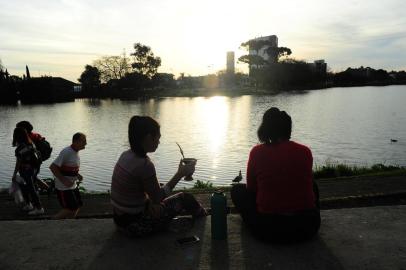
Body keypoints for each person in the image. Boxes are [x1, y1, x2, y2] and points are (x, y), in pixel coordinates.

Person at [231, 107, 320, 243]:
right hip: (307, 228)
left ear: (264, 129)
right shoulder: (305, 151)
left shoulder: (257, 152)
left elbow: (252, 189)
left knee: (237, 191)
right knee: (313, 186)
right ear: (288, 129)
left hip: (270, 230)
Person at [111, 116, 207, 237]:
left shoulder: (125, 155)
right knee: (184, 198)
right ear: (148, 138)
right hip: (136, 226)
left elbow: (141, 190)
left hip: (120, 222)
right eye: (157, 138)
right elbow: (158, 198)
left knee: (160, 189)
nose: (159, 142)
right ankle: (204, 218)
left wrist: (150, 203)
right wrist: (179, 174)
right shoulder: (145, 165)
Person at [50, 132, 87, 219]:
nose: (86, 143)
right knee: (70, 208)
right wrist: (64, 180)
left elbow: (69, 167)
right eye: (84, 141)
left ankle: (70, 223)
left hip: (72, 185)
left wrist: (78, 175)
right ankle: (51, 222)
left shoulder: (75, 152)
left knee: (77, 205)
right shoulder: (66, 152)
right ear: (76, 142)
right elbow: (53, 167)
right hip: (63, 187)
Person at [12, 127, 44, 215]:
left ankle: (39, 208)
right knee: (26, 187)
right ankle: (29, 204)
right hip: (33, 169)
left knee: (31, 189)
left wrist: (14, 174)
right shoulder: (31, 144)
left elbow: (18, 162)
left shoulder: (20, 148)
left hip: (26, 171)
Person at [15, 121, 49, 191]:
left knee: (31, 178)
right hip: (38, 161)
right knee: (33, 177)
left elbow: (21, 154)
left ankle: (47, 189)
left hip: (30, 164)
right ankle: (44, 188)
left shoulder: (27, 138)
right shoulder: (36, 135)